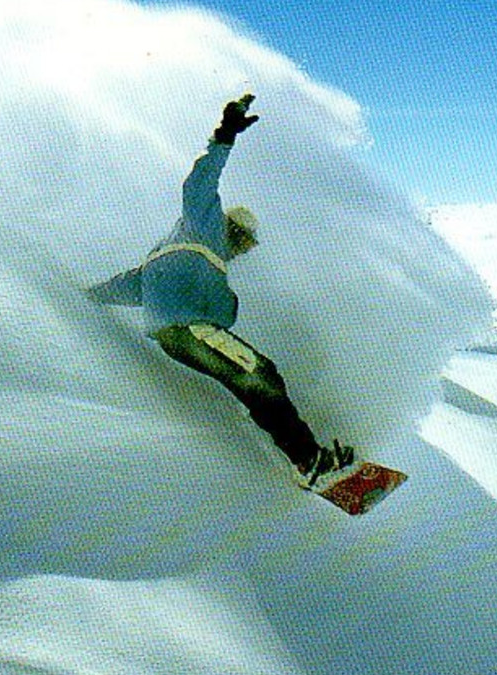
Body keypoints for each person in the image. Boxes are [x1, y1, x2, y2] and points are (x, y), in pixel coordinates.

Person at [88, 94, 354, 487]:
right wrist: (225, 135)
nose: (242, 250)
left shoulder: (174, 256)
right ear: (231, 227)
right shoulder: (203, 228)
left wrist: (85, 296)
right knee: (259, 375)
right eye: (243, 241)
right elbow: (199, 183)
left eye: (247, 246)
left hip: (178, 335)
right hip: (189, 329)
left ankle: (306, 458)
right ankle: (310, 462)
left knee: (259, 376)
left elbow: (128, 287)